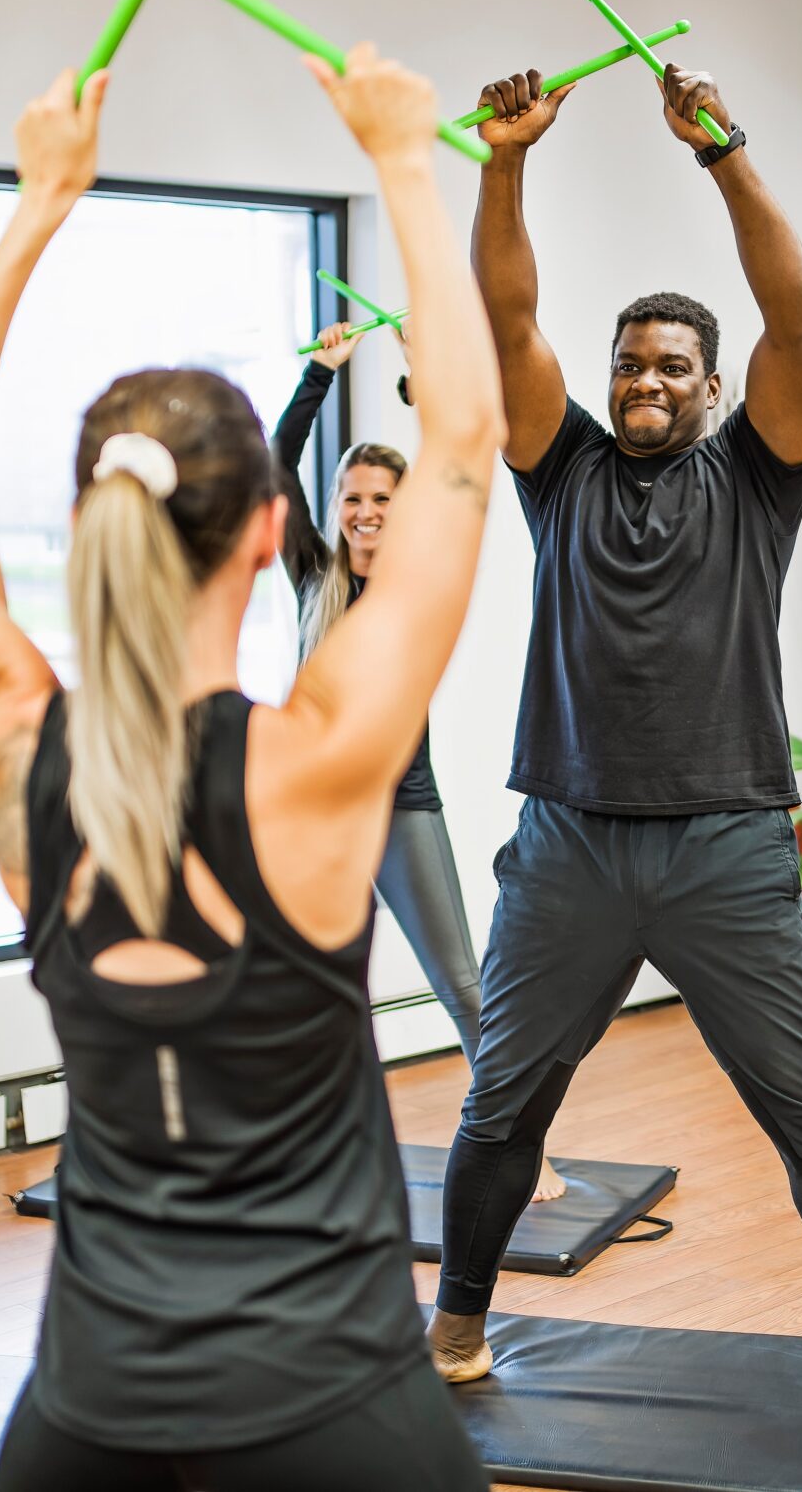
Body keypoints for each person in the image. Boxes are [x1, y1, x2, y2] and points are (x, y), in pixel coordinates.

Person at [0, 50, 498, 1491]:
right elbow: (465, 442)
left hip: (91, 1420)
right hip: (340, 1415)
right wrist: (405, 158)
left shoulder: (10, 739)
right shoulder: (321, 759)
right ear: (267, 532)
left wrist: (41, 199)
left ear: (89, 516)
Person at [424, 60, 802, 1463]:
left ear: (717, 386)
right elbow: (507, 312)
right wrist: (505, 161)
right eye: (632, 363)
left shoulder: (759, 470)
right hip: (570, 842)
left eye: (675, 364)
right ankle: (455, 1328)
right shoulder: (562, 467)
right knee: (499, 1109)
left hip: (726, 842)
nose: (647, 380)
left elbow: (801, 312)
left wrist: (721, 151)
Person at [272, 322, 568, 1199]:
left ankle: (522, 1145)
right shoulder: (311, 575)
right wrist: (318, 378)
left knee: (464, 985)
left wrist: (420, 365)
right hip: (319, 815)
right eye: (353, 497)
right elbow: (270, 468)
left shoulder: (418, 579)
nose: (366, 511)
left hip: (399, 807)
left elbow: (456, 471)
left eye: (382, 499)